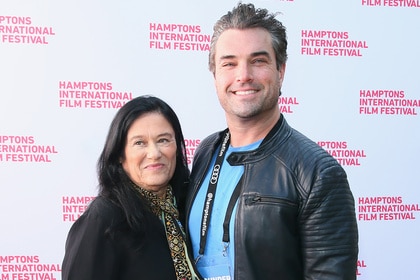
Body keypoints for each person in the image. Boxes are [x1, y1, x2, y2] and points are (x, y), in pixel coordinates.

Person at [186, 2, 359, 280]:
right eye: (229, 63)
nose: (243, 75)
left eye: (258, 60)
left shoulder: (316, 173)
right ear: (215, 75)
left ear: (281, 70)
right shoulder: (207, 152)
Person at [62, 95, 202, 280]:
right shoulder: (104, 218)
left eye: (163, 140)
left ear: (177, 146)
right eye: (139, 143)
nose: (154, 153)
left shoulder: (191, 208)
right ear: (120, 155)